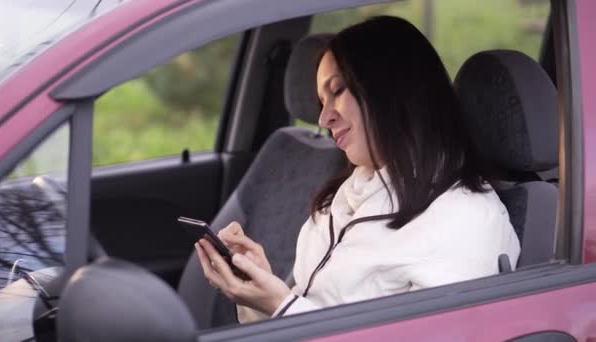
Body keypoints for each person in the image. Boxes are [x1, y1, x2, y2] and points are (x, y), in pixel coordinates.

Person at [194, 16, 520, 322]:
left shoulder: (465, 221)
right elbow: (310, 310)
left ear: (392, 88)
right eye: (322, 102)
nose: (324, 119)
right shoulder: (341, 197)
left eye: (337, 91)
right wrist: (260, 292)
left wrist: (281, 307)